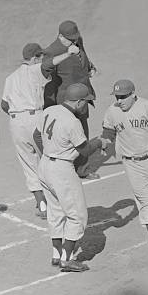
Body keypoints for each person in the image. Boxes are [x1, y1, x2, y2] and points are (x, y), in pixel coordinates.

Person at [34, 83, 111, 272]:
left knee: (55, 211)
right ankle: (66, 260)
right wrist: (99, 141)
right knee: (77, 216)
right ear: (78, 102)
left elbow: (36, 136)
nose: (86, 107)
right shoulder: (72, 121)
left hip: (44, 166)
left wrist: (50, 151)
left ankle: (56, 254)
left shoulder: (50, 110)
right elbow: (84, 150)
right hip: (62, 170)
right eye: (86, 103)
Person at [1, 42, 80, 219]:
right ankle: (58, 200)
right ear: (35, 57)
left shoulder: (10, 77)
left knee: (28, 163)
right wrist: (69, 52)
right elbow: (49, 64)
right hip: (34, 118)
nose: (43, 58)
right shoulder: (35, 69)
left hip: (15, 122)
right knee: (49, 158)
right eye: (41, 55)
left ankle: (42, 204)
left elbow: (4, 105)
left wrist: (18, 116)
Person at [101, 79, 148, 260]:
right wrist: (105, 142)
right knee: (146, 200)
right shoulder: (112, 111)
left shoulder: (146, 106)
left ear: (133, 94)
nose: (120, 100)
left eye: (124, 97)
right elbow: (108, 131)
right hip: (132, 164)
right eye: (117, 97)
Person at [43, 20, 99, 179]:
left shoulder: (76, 41)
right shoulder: (51, 51)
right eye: (70, 39)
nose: (74, 41)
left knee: (83, 131)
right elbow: (47, 78)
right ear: (60, 35)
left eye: (75, 38)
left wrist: (89, 66)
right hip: (64, 100)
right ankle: (66, 168)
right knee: (67, 135)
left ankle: (83, 169)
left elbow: (82, 57)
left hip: (82, 95)